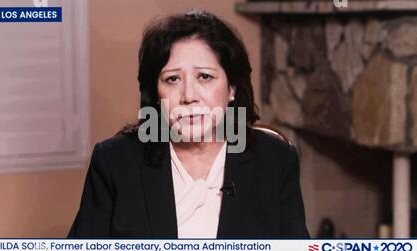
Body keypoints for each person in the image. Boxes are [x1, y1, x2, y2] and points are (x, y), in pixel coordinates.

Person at [68, 10, 309, 238]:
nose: (188, 96)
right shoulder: (114, 162)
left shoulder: (276, 159)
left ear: (232, 88)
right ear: (155, 93)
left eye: (204, 77)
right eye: (172, 79)